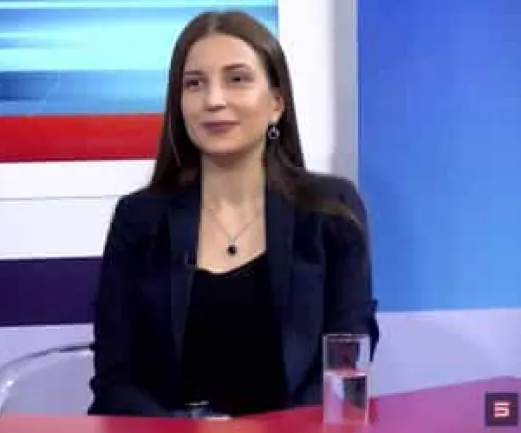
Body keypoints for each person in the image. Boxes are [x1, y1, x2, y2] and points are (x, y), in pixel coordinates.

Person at [87, 10, 380, 418]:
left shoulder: (330, 211)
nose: (214, 100)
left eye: (237, 79)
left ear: (276, 103)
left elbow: (344, 369)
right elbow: (115, 381)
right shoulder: (139, 220)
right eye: (195, 84)